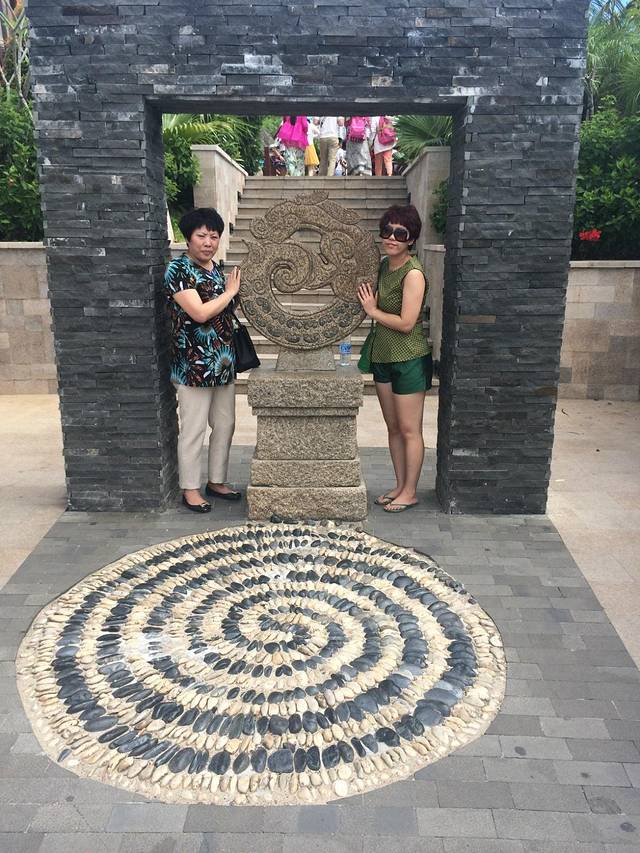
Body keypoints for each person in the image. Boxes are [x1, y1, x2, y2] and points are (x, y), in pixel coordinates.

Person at [164, 208, 242, 513]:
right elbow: (199, 313)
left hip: (223, 363)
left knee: (225, 424)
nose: (208, 242)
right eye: (201, 235)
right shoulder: (178, 270)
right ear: (188, 238)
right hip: (192, 365)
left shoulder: (216, 270)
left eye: (214, 236)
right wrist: (231, 292)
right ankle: (190, 488)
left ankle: (217, 481)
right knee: (194, 428)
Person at [357, 205, 432, 513]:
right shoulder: (384, 266)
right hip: (383, 356)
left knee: (410, 428)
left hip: (409, 357)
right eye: (387, 230)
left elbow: (406, 322)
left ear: (411, 239)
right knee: (393, 428)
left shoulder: (413, 273)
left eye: (400, 233)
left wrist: (373, 311)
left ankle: (410, 491)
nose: (391, 237)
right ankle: (400, 485)